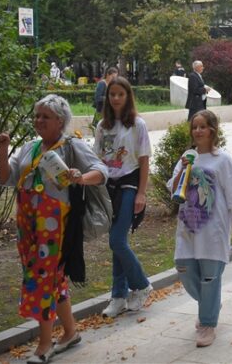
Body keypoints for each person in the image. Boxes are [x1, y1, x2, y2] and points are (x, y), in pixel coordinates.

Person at [0, 95, 107, 363]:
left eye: (45, 116)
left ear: (60, 121)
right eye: (36, 115)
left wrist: (81, 177)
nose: (38, 120)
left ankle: (44, 345)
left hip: (55, 228)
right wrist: (2, 151)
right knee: (52, 279)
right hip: (27, 225)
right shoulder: (30, 148)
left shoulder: (71, 146)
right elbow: (4, 178)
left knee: (42, 280)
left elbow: (102, 170)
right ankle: (70, 332)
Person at [168, 110, 232, 347]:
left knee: (210, 277)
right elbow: (173, 188)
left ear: (212, 130)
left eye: (203, 126)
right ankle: (209, 303)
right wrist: (182, 169)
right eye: (194, 127)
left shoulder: (222, 160)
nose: (198, 131)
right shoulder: (187, 157)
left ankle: (207, 323)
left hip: (214, 230)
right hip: (188, 228)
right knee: (184, 268)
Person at [94, 77, 153, 318]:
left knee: (117, 241)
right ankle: (118, 296)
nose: (116, 98)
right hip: (108, 188)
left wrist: (141, 193)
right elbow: (96, 159)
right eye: (112, 94)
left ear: (128, 96)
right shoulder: (102, 126)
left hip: (129, 185)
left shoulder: (138, 124)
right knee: (117, 243)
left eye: (120, 94)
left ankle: (141, 284)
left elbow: (144, 160)